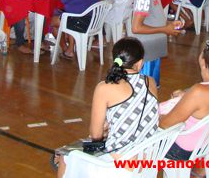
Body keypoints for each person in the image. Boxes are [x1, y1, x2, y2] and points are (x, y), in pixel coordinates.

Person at [52, 38, 159, 178]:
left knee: (64, 157)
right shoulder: (150, 81)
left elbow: (96, 135)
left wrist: (104, 129)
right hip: (148, 161)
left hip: (120, 166)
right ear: (139, 63)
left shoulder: (104, 87)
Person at [159, 40, 209, 175]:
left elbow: (164, 124)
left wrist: (156, 116)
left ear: (203, 62)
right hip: (204, 141)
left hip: (182, 149)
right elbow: (205, 105)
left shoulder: (199, 91)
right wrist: (186, 97)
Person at [131, 0, 181, 87]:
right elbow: (136, 27)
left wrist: (169, 24)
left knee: (153, 85)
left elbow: (154, 17)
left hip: (153, 48)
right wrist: (165, 29)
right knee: (147, 87)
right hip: (146, 51)